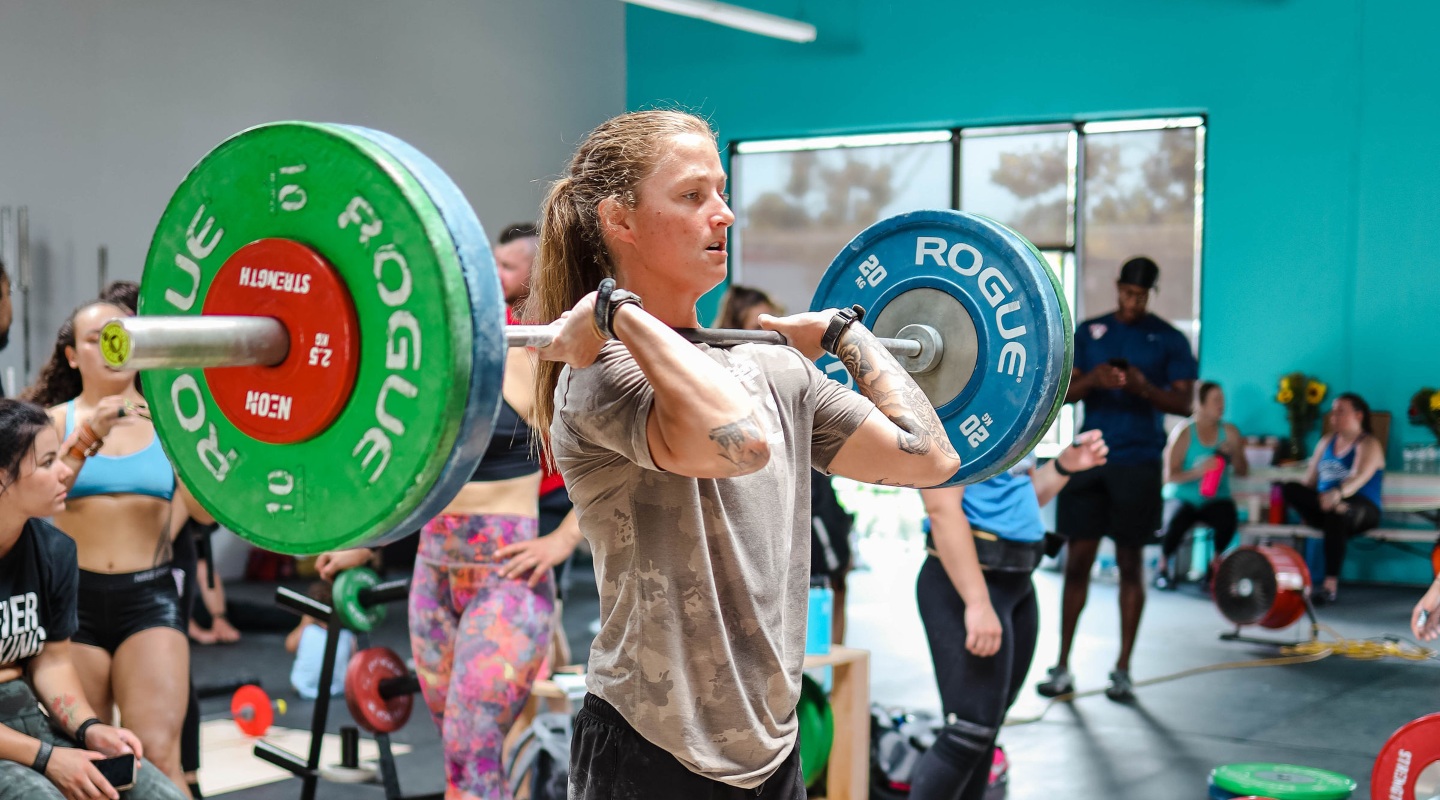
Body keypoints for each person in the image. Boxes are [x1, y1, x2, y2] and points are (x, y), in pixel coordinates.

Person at [527, 110, 960, 798]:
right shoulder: (600, 376)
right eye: (692, 195)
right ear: (620, 220)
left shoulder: (776, 368)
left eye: (722, 192)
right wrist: (618, 314)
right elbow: (740, 443)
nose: (723, 214)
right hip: (652, 745)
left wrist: (847, 336)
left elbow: (929, 458)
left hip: (772, 745)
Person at [317, 230, 566, 800]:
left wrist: (562, 541)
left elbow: (607, 465)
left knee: (471, 749)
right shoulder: (431, 371)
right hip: (433, 574)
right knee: (462, 756)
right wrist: (368, 543)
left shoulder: (525, 361)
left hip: (506, 576)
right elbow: (409, 480)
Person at [23, 300, 194, 797]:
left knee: (158, 753)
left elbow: (202, 515)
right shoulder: (50, 423)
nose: (111, 348)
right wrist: (89, 434)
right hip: (74, 602)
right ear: (73, 355)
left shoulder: (172, 423)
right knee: (95, 762)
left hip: (149, 597)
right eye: (96, 339)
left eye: (121, 336)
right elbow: (32, 504)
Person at [0, 398, 183, 800]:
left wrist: (90, 728)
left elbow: (52, 661)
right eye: (48, 463)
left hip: (28, 719)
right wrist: (48, 759)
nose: (66, 471)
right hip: (16, 744)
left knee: (156, 791)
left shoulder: (55, 550)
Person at [913, 431, 1107, 799]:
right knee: (968, 733)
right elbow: (942, 509)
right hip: (969, 584)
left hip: (1016, 584)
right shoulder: (952, 413)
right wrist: (977, 602)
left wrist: (1064, 466)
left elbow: (1017, 497)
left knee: (986, 730)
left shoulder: (1011, 420)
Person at [1039, 256, 1197, 702]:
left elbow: (1185, 404)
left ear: (1151, 294)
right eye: (1127, 293)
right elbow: (1061, 395)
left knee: (1131, 565)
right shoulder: (1090, 331)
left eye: (1141, 296)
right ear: (1117, 287)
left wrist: (1142, 387)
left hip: (1138, 462)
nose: (1132, 302)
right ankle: (1062, 665)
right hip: (1089, 460)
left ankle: (1123, 669)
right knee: (1077, 564)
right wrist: (1094, 379)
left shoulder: (1169, 338)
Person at [717, 284, 854, 643]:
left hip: (810, 492)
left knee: (833, 580)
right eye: (756, 329)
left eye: (771, 329)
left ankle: (829, 667)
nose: (767, 338)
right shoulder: (722, 379)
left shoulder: (790, 372)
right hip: (758, 496)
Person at [1280, 393, 1384, 604]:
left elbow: (1358, 477)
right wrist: (1309, 502)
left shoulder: (1368, 443)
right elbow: (1310, 481)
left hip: (1360, 508)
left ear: (1358, 415)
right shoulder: (1326, 441)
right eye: (1333, 411)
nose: (1334, 416)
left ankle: (1329, 586)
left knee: (1337, 514)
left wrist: (1337, 495)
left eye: (1340, 411)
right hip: (1325, 506)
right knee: (1289, 488)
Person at [1155, 381, 1249, 589]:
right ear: (1201, 403)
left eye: (1222, 400)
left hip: (1215, 498)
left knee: (1227, 517)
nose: (1221, 405)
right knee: (1176, 519)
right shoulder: (1184, 432)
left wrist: (1234, 454)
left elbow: (1243, 471)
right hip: (1183, 496)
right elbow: (1169, 476)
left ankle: (1214, 566)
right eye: (1216, 400)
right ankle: (1163, 566)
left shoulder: (1230, 432)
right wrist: (1199, 471)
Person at [284, 582, 357, 700]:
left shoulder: (307, 631)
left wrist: (304, 622)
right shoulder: (348, 636)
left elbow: (289, 646)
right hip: (338, 688)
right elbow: (354, 662)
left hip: (304, 689)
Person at [496, 223, 540, 314]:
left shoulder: (563, 319)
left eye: (507, 267)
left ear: (537, 270)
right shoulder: (490, 319)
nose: (497, 274)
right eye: (495, 265)